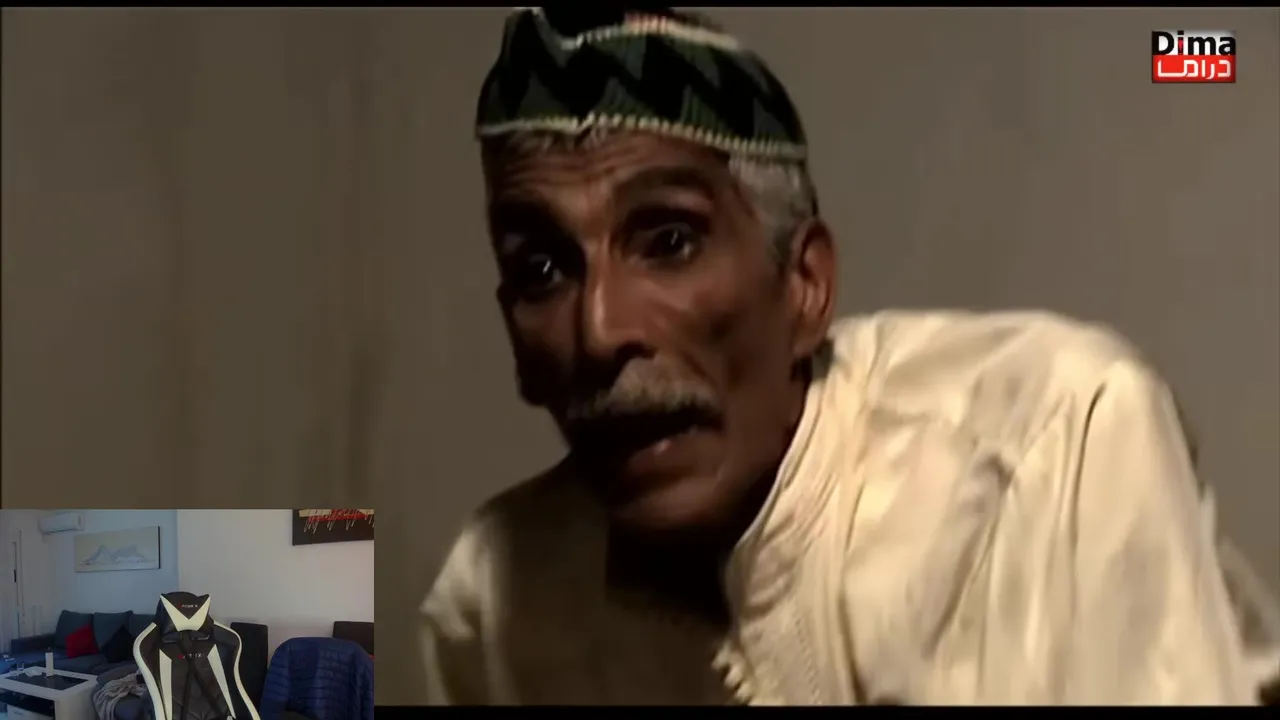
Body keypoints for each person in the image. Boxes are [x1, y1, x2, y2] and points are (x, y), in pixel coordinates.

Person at [422, 6, 1278, 705]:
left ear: (804, 287)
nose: (600, 330)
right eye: (541, 270)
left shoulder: (1053, 450)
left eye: (670, 240)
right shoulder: (496, 601)